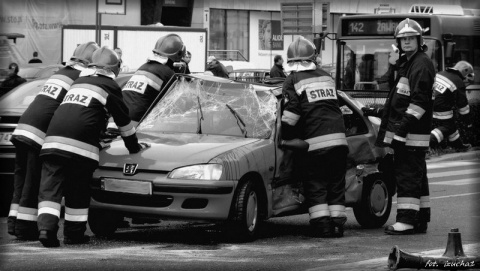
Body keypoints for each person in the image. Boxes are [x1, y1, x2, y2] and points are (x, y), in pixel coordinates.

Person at [36, 47, 149, 247]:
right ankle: (73, 235)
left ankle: (46, 230)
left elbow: (78, 113)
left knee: (50, 190)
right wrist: (134, 148)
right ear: (114, 68)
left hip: (52, 142)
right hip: (80, 148)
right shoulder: (109, 85)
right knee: (77, 191)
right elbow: (124, 123)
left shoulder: (78, 82)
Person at [7, 42, 99, 241]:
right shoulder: (80, 78)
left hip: (23, 127)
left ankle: (14, 223)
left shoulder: (60, 73)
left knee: (21, 181)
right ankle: (24, 228)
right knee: (33, 182)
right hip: (39, 132)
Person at [362, 18, 435, 235]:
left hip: (410, 135)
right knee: (417, 178)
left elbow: (418, 104)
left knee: (407, 177)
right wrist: (376, 111)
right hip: (411, 135)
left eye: (411, 38)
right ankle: (419, 219)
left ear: (419, 40)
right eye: (403, 39)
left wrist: (401, 131)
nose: (407, 42)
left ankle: (406, 221)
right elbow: (400, 102)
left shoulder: (420, 64)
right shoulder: (411, 63)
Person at [281, 36, 348, 238]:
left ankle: (323, 227)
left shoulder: (292, 80)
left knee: (317, 185)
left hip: (316, 145)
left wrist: (285, 136)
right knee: (336, 185)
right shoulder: (326, 76)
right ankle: (337, 225)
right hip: (340, 142)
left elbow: (292, 114)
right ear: (314, 58)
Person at [123, 34, 185, 124]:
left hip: (114, 121)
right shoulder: (168, 73)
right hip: (134, 125)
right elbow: (175, 103)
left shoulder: (143, 67)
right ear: (178, 54)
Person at [430, 61, 474, 152]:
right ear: (465, 71)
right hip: (439, 106)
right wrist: (467, 121)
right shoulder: (458, 81)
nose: (466, 81)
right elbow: (463, 106)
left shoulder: (441, 73)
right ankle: (428, 142)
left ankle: (458, 146)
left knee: (451, 124)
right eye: (467, 77)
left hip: (427, 102)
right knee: (448, 127)